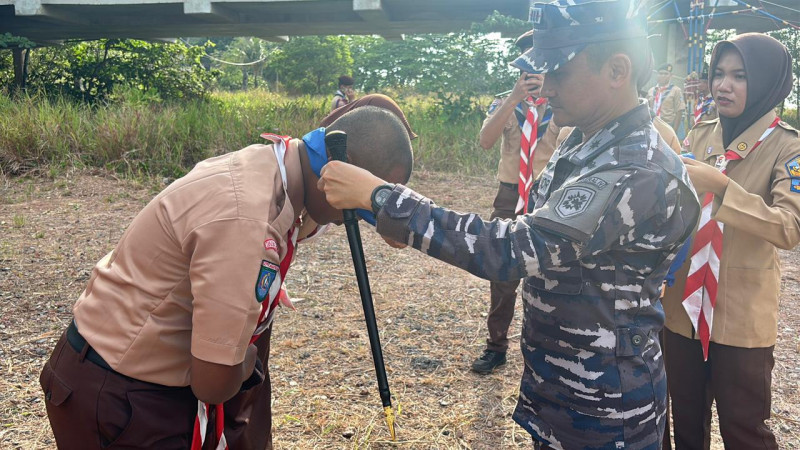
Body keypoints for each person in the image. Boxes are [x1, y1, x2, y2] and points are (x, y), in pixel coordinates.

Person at [319, 0, 700, 447]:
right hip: (565, 394)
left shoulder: (635, 167)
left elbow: (512, 250)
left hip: (607, 411)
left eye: (559, 73)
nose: (545, 87)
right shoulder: (585, 140)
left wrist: (383, 198)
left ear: (617, 70)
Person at [38, 105, 414, 450]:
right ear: (338, 169)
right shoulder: (247, 222)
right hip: (119, 398)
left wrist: (386, 211)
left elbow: (315, 209)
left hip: (133, 382)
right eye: (362, 201)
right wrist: (247, 361)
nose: (353, 218)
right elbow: (213, 384)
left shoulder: (278, 166)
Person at [661, 33, 799, 450]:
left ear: (767, 82)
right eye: (718, 73)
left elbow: (789, 227)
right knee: (686, 424)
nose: (723, 85)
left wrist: (722, 188)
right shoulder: (702, 135)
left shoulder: (788, 147)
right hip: (682, 309)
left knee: (744, 431)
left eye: (740, 76)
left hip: (739, 317)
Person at [472, 30, 560, 374]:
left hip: (548, 196)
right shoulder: (505, 104)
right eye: (527, 67)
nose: (532, 74)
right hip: (510, 196)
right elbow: (485, 141)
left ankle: (549, 350)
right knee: (502, 270)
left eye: (539, 66)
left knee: (551, 274)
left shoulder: (562, 105)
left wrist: (551, 93)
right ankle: (496, 346)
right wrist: (512, 99)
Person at [648, 63, 686, 136]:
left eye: (666, 74)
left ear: (671, 76)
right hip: (653, 126)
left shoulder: (676, 90)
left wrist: (674, 131)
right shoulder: (651, 91)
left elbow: (679, 111)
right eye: (660, 73)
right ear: (657, 75)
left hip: (667, 126)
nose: (663, 76)